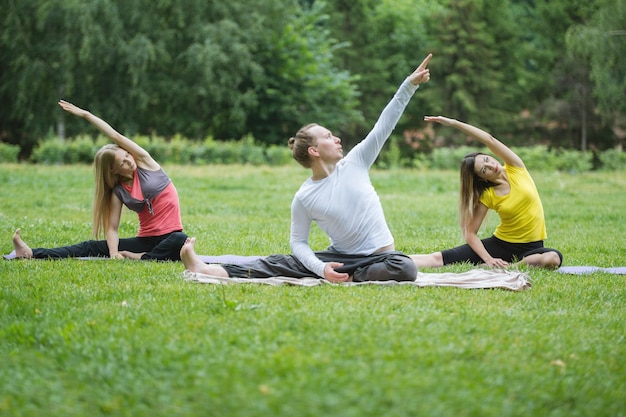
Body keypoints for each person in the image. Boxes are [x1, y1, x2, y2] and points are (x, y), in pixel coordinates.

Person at [180, 54, 433, 282]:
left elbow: (384, 125)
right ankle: (209, 269)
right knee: (279, 263)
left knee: (405, 268)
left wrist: (408, 85)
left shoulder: (355, 162)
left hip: (381, 259)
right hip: (341, 258)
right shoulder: (305, 196)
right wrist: (320, 268)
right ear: (314, 150)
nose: (337, 139)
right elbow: (298, 242)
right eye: (328, 136)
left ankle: (349, 275)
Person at [10, 100, 187, 261]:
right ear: (112, 170)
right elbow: (112, 228)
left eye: (127, 155)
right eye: (122, 162)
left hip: (171, 236)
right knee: (91, 246)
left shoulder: (145, 162)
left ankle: (140, 257)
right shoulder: (119, 191)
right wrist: (113, 253)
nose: (129, 160)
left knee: (181, 240)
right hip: (147, 240)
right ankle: (31, 253)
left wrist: (86, 115)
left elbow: (116, 137)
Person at [410, 116, 563, 269]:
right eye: (484, 170)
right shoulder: (488, 195)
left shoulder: (515, 168)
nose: (491, 166)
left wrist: (455, 123)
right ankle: (390, 258)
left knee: (553, 259)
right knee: (438, 259)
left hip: (533, 248)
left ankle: (511, 267)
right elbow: (470, 233)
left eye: (486, 159)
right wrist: (489, 259)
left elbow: (489, 140)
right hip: (502, 245)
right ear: (482, 178)